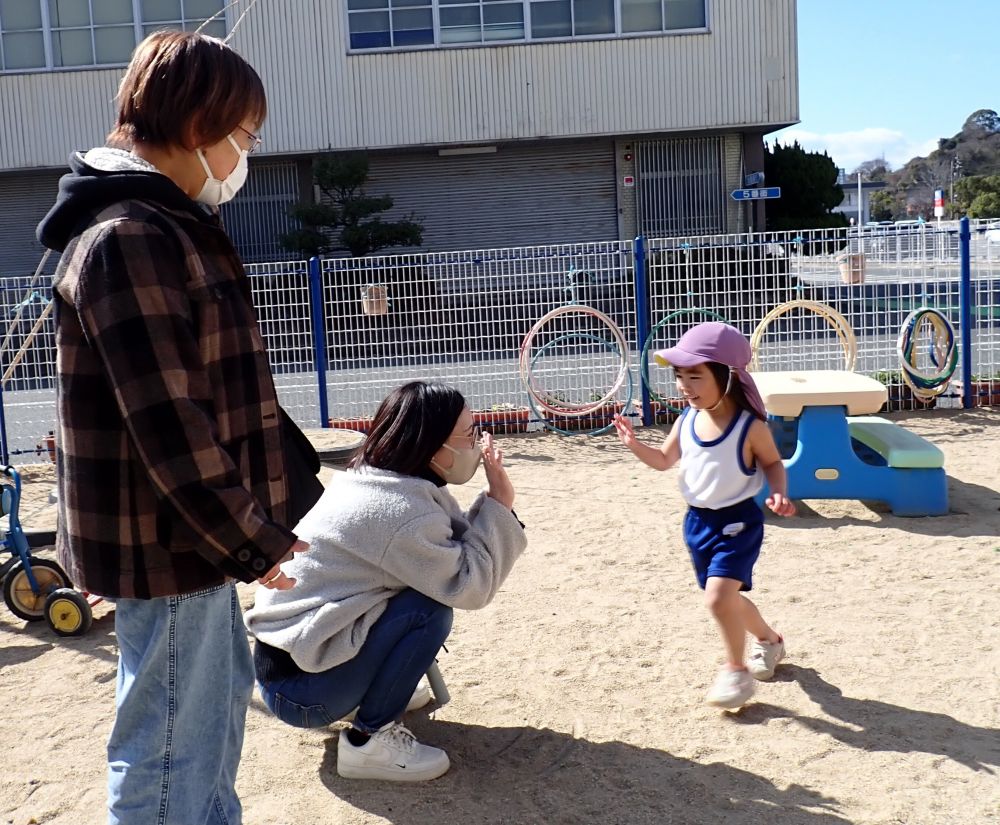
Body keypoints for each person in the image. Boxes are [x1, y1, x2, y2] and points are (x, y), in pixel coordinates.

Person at [36, 31, 307, 825]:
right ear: (201, 127)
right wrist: (250, 537)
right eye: (245, 136)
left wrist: (252, 527)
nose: (245, 156)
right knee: (169, 745)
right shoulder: (132, 238)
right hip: (171, 541)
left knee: (210, 708)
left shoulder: (160, 227)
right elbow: (171, 424)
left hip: (188, 538)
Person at [244, 381, 527, 782]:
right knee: (428, 610)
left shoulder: (376, 478)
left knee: (418, 591)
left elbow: (454, 547)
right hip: (302, 693)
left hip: (294, 663)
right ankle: (367, 743)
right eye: (469, 435)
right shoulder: (402, 511)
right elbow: (470, 584)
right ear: (433, 448)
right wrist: (500, 501)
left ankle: (377, 685)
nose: (478, 445)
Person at [613, 322, 795, 709]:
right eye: (680, 375)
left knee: (717, 599)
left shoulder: (751, 427)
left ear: (727, 377)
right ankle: (770, 640)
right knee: (726, 599)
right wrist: (633, 444)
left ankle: (736, 671)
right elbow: (664, 461)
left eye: (695, 375)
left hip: (739, 523)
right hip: (697, 524)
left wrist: (778, 492)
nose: (684, 385)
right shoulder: (686, 420)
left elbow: (774, 465)